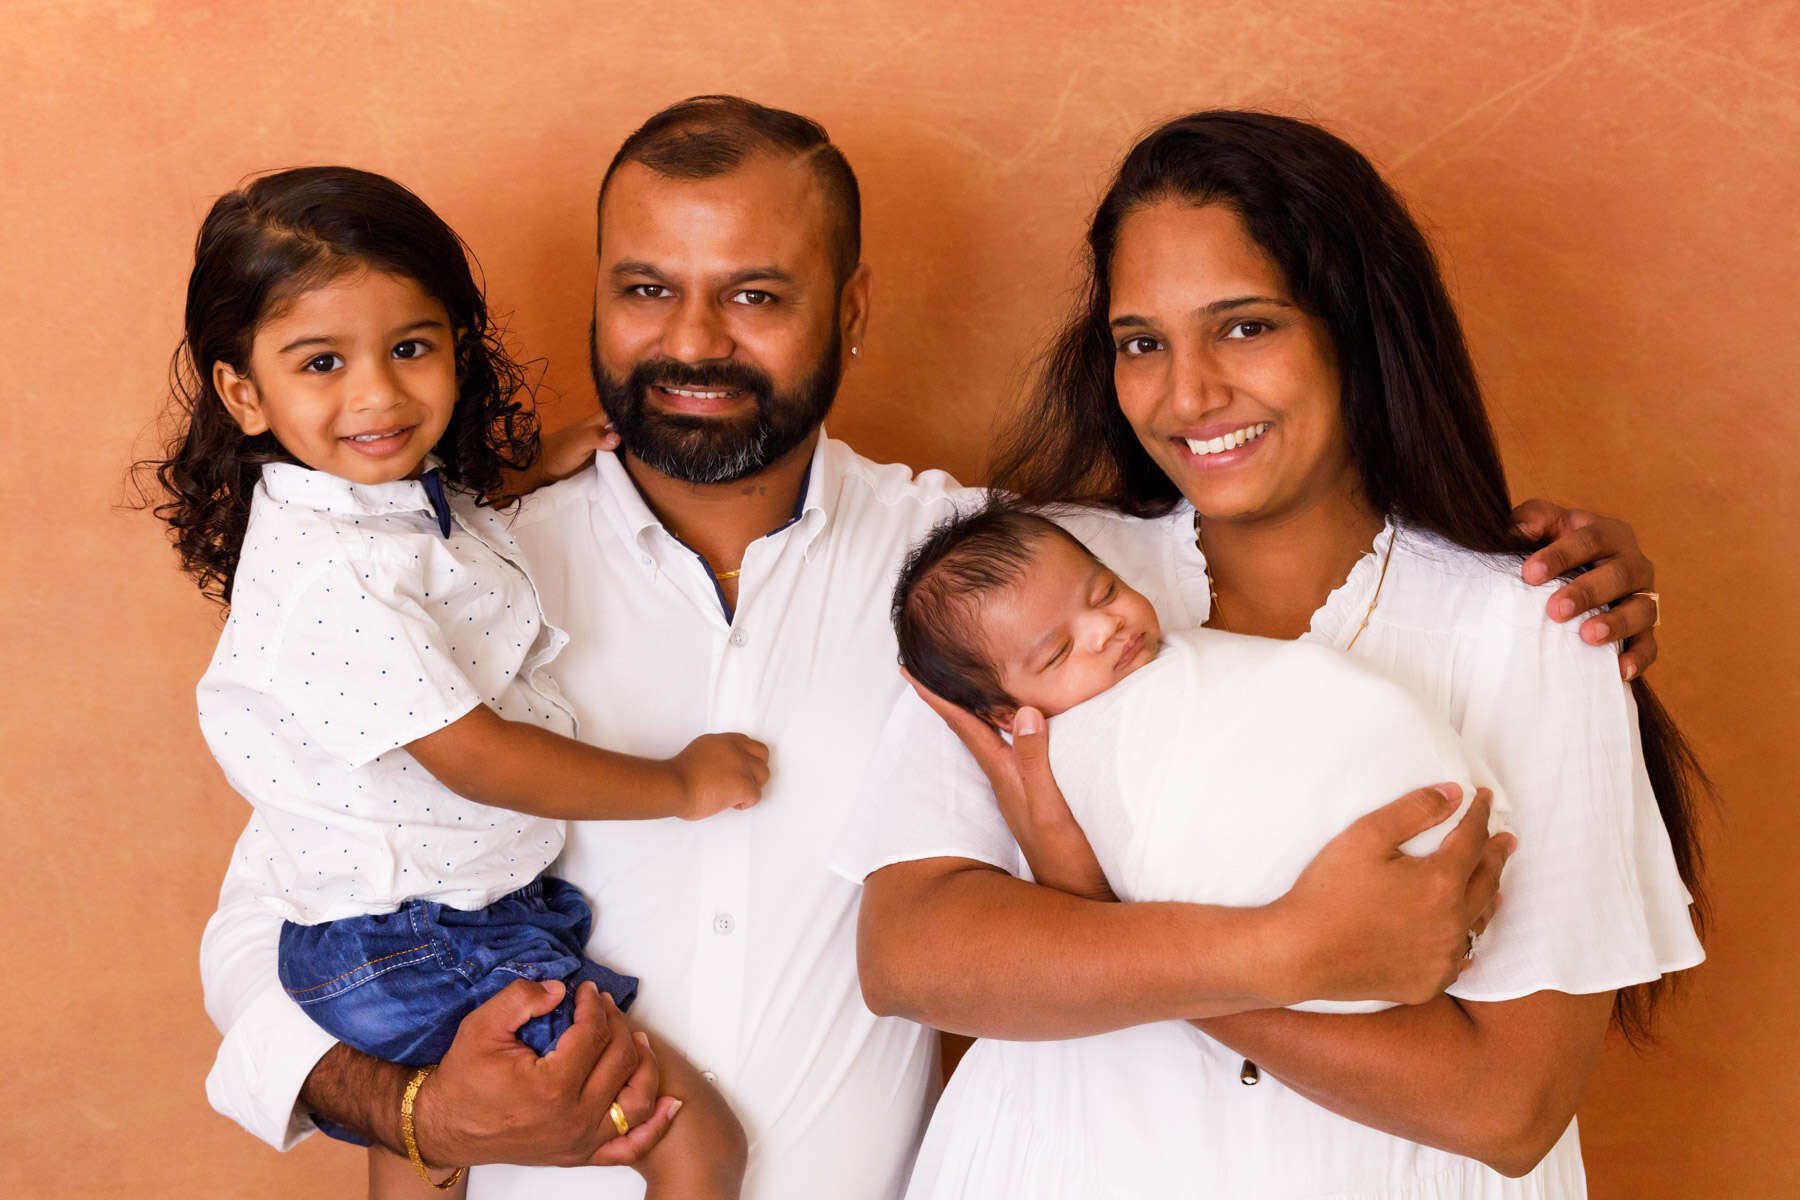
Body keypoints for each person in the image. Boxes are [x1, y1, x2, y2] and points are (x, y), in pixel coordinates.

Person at [192, 98, 1665, 1200]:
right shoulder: (462, 578)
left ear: (853, 311)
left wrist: (1559, 581)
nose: (693, 342)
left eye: (757, 295)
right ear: (595, 302)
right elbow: (280, 931)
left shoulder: (979, 572)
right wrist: (414, 1122)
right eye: (648, 290)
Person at [843, 111, 1706, 1197]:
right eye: (1141, 342)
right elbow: (912, 954)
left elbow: (1505, 1106)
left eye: (1244, 327)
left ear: (1356, 326)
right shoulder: (1038, 584)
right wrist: (1293, 952)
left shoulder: (1534, 622)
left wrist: (1094, 923)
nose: (1186, 394)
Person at [148, 165, 756, 1197]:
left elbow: (417, 523)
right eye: (322, 362)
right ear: (242, 391)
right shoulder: (329, 580)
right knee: (693, 1140)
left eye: (411, 348)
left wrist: (524, 472)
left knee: (431, 1146)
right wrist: (681, 786)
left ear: (456, 350)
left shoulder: (353, 501)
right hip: (419, 934)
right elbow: (475, 757)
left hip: (403, 922)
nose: (379, 394)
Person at [890, 501, 1509, 1017]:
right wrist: (1287, 947)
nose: (1103, 628)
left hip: (1400, 816)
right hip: (1303, 927)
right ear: (1005, 714)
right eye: (1057, 653)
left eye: (1102, 591)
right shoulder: (1068, 754)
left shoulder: (1183, 657)